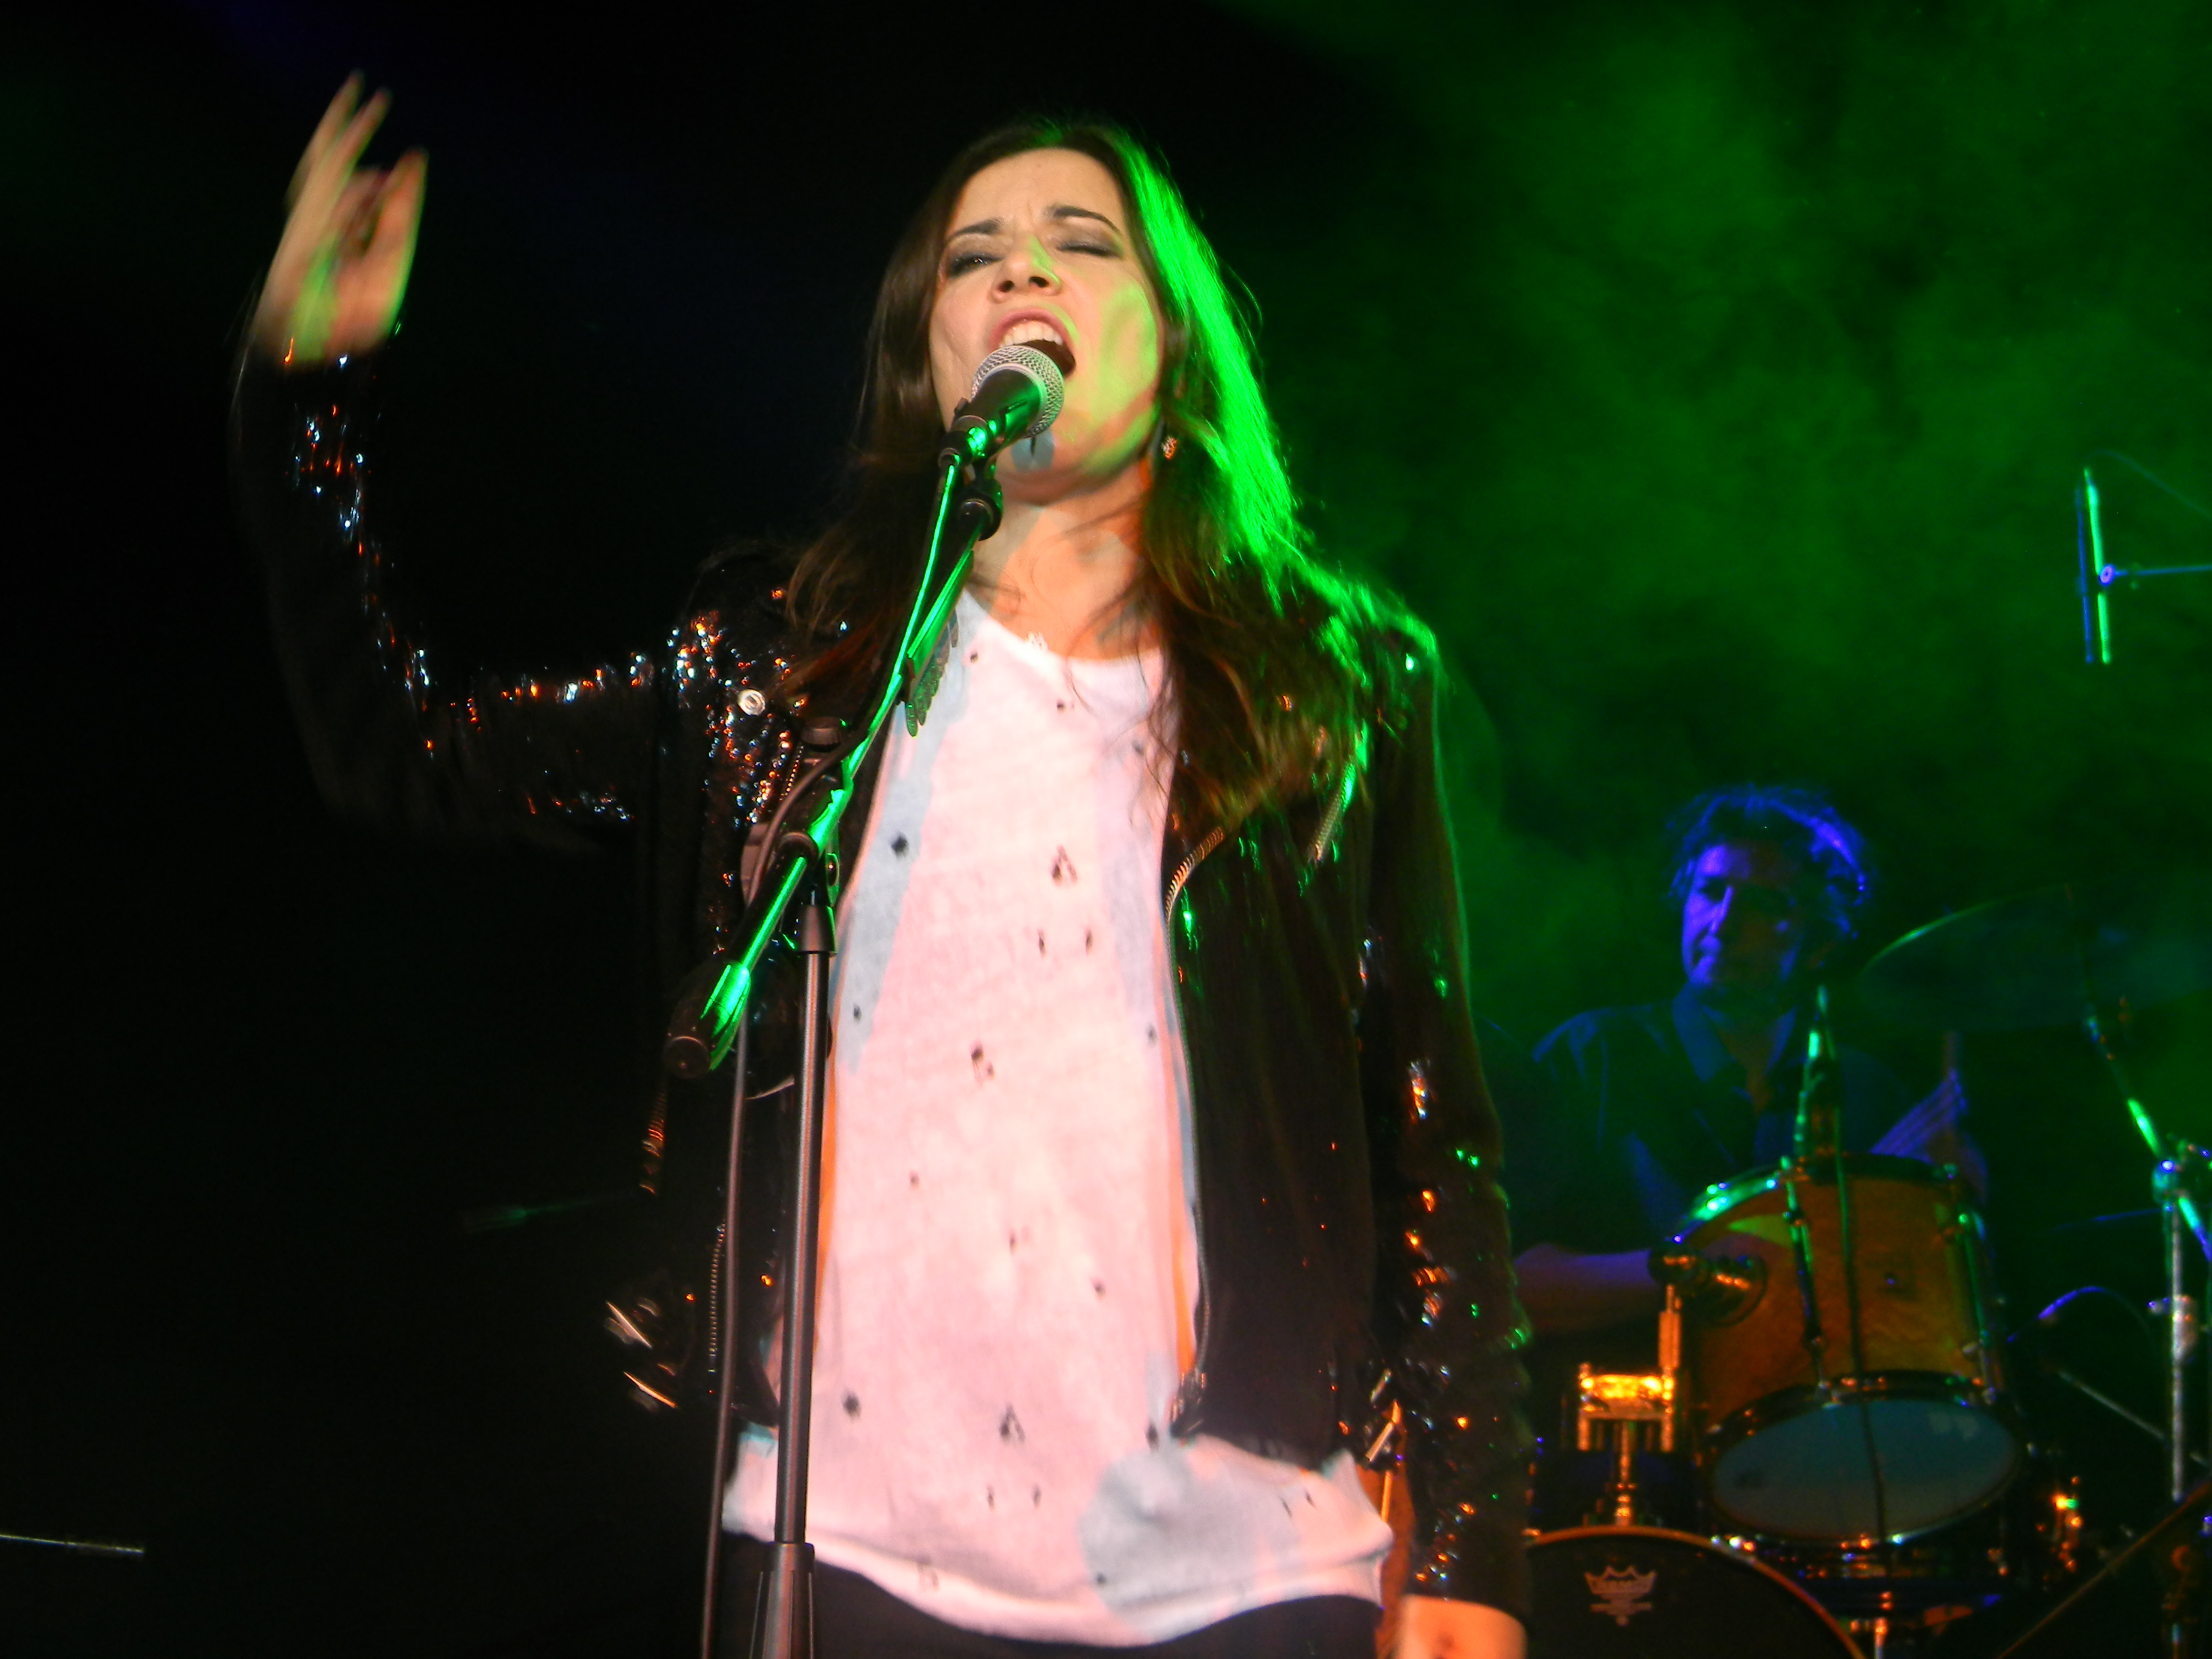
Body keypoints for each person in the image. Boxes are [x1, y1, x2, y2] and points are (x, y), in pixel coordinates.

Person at [233, 80, 1530, 1658]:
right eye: (974, 256)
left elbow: (1429, 1126)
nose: (1022, 271)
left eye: (1081, 242)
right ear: (931, 357)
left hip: (1238, 1570)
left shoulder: (1333, 684)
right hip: (843, 1554)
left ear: (1178, 344)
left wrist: (1472, 1539)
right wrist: (302, 397)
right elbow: (407, 749)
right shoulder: (776, 669)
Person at [1504, 785, 1979, 1418]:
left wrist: (1944, 1219)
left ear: (1820, 939)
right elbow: (1512, 1287)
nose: (1723, 923)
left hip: (1817, 1438)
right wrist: (1700, 1269)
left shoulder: (1866, 1092)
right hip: (1617, 1438)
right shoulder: (1594, 1054)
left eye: (1761, 904)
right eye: (1710, 892)